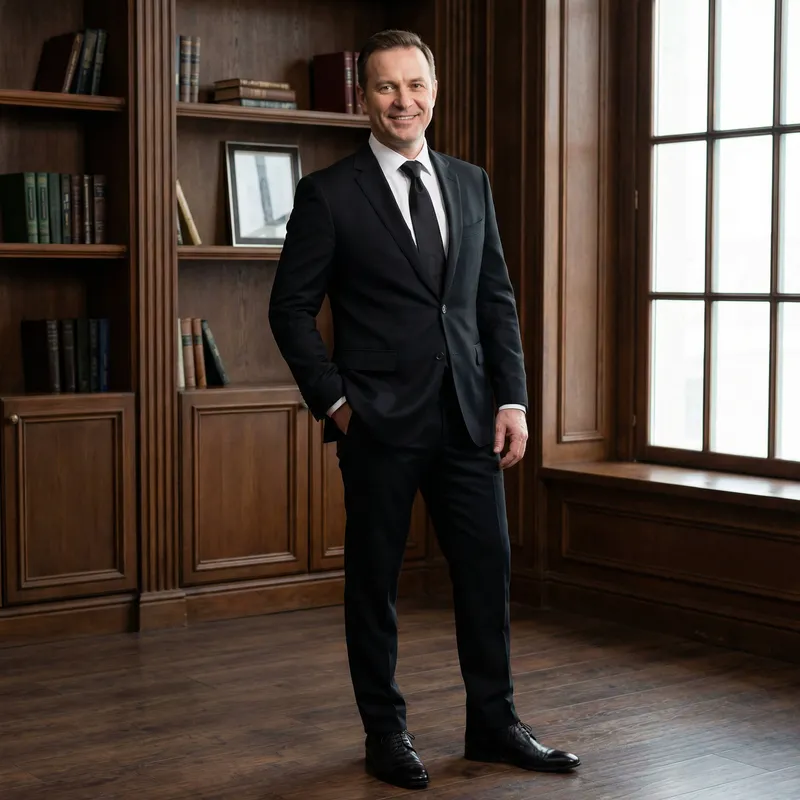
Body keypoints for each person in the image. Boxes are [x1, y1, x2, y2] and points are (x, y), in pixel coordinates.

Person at [268, 28, 580, 791]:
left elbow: (494, 300)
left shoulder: (470, 183)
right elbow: (289, 310)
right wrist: (338, 403)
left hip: (469, 418)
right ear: (364, 98)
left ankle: (494, 724)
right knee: (374, 582)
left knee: (486, 570)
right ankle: (385, 731)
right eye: (386, 86)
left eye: (414, 85)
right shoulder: (330, 194)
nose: (402, 100)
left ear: (434, 92)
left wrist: (512, 399)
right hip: (376, 424)